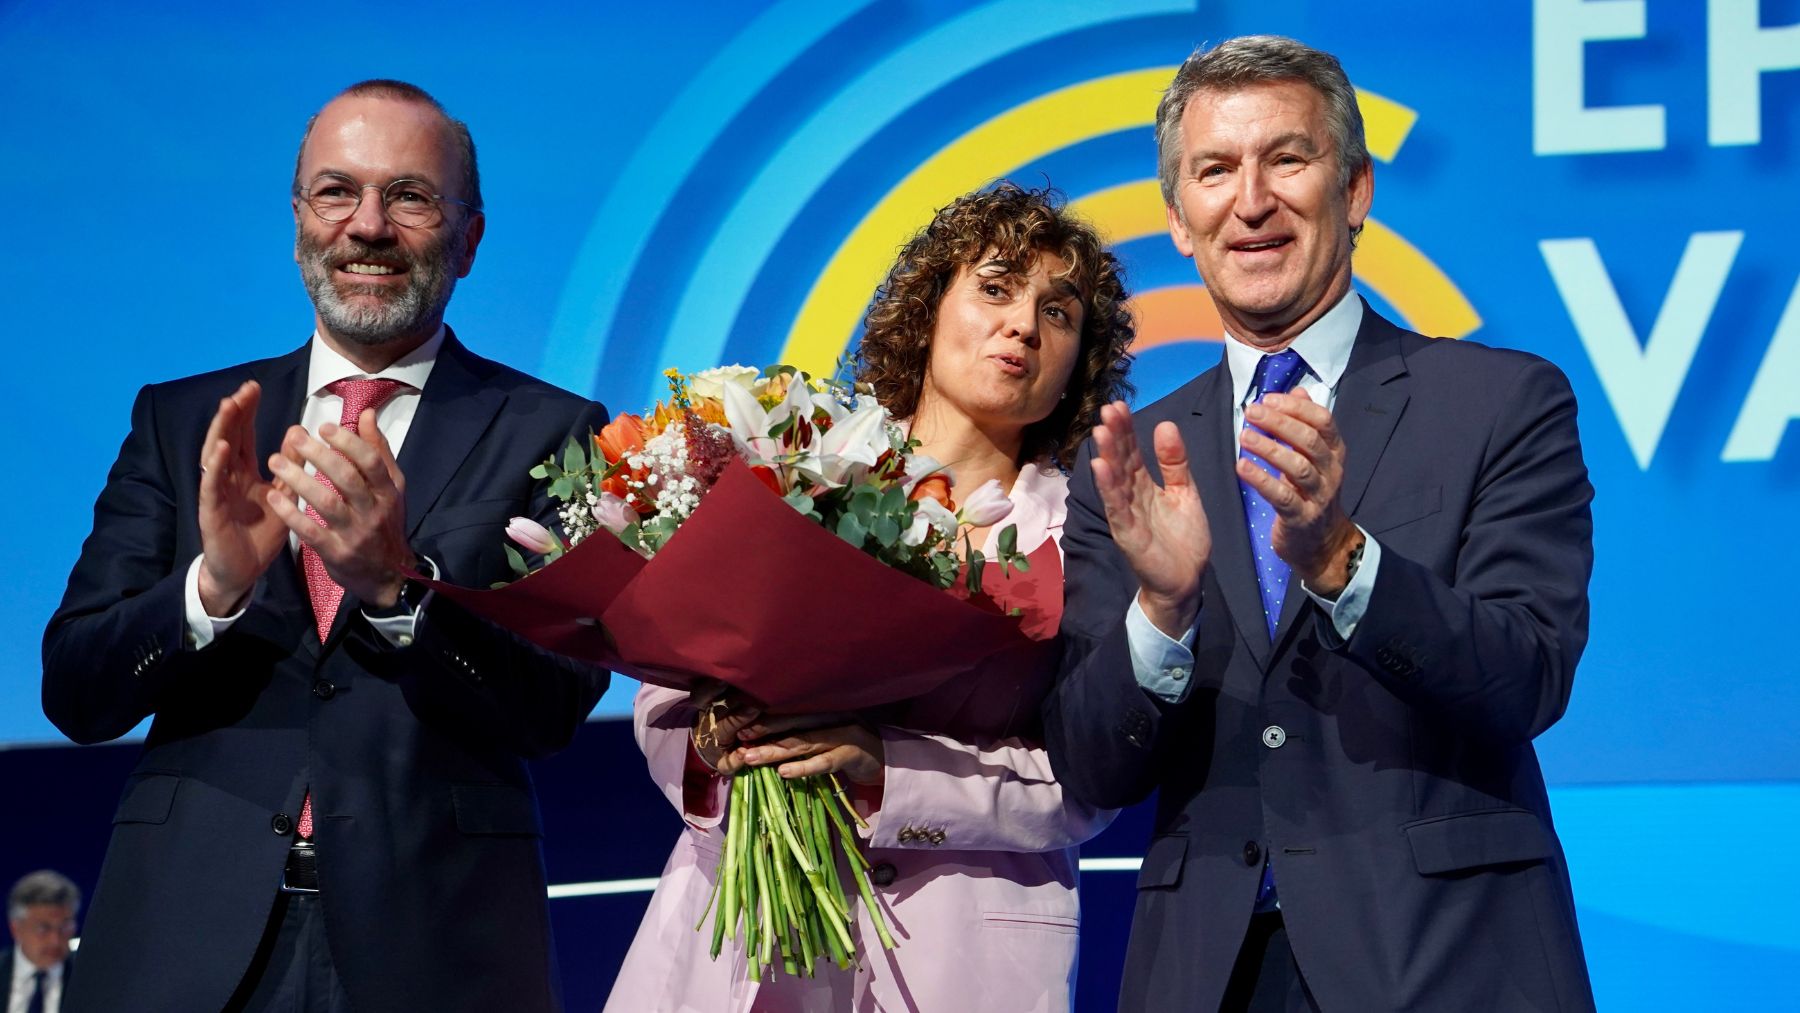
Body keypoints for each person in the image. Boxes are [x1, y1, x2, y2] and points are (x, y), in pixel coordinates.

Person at [1043, 35, 1597, 1012]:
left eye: (1287, 158)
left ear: (1355, 190)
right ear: (1178, 219)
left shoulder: (1500, 401)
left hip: (1445, 962)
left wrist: (1344, 559)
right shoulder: (1131, 461)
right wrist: (1163, 613)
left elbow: (1528, 676)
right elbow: (1092, 764)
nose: (1251, 200)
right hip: (1209, 977)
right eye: (1215, 170)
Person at [42, 80, 610, 1013]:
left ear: (469, 238)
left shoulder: (555, 431)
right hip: (181, 939)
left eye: (410, 196)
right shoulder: (183, 420)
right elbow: (76, 690)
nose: (368, 226)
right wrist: (212, 588)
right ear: (299, 220)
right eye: (336, 191)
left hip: (438, 947)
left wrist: (398, 590)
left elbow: (549, 706)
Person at [606, 184, 1136, 1012]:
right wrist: (716, 743)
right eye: (996, 288)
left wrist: (889, 774)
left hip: (957, 959)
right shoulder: (792, 460)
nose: (1024, 326)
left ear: (1079, 365)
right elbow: (663, 697)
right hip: (735, 945)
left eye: (1058, 313)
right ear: (927, 311)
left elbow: (1088, 784)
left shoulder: (1088, 537)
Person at [5, 871, 78, 1013]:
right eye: (43, 928)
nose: (55, 940)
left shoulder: (90, 980)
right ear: (16, 928)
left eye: (65, 927)